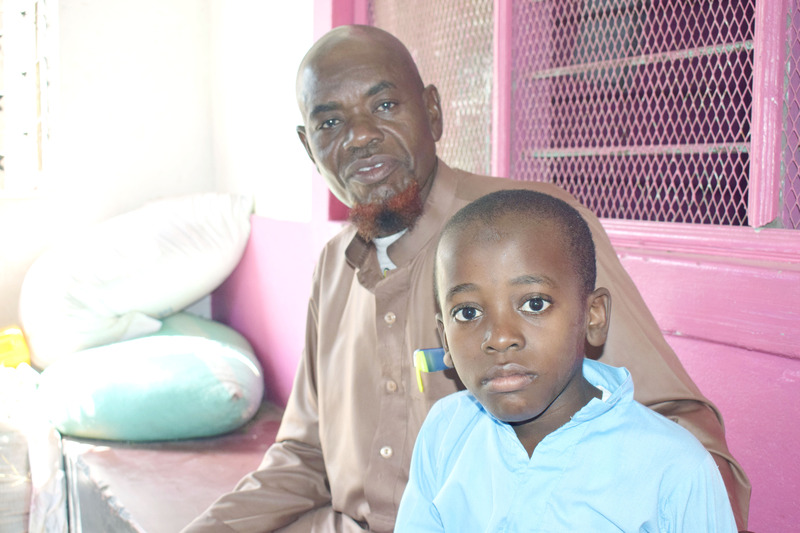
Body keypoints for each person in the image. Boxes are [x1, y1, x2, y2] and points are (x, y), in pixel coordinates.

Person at [183, 24, 750, 532]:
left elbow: (678, 427)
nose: (358, 136)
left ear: (432, 112)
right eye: (330, 121)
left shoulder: (527, 231)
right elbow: (305, 455)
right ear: (309, 146)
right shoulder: (333, 268)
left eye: (384, 105)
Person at [394, 189, 738, 532]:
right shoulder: (445, 430)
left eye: (534, 304)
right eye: (468, 312)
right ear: (445, 339)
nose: (499, 338)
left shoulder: (673, 468)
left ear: (593, 316)